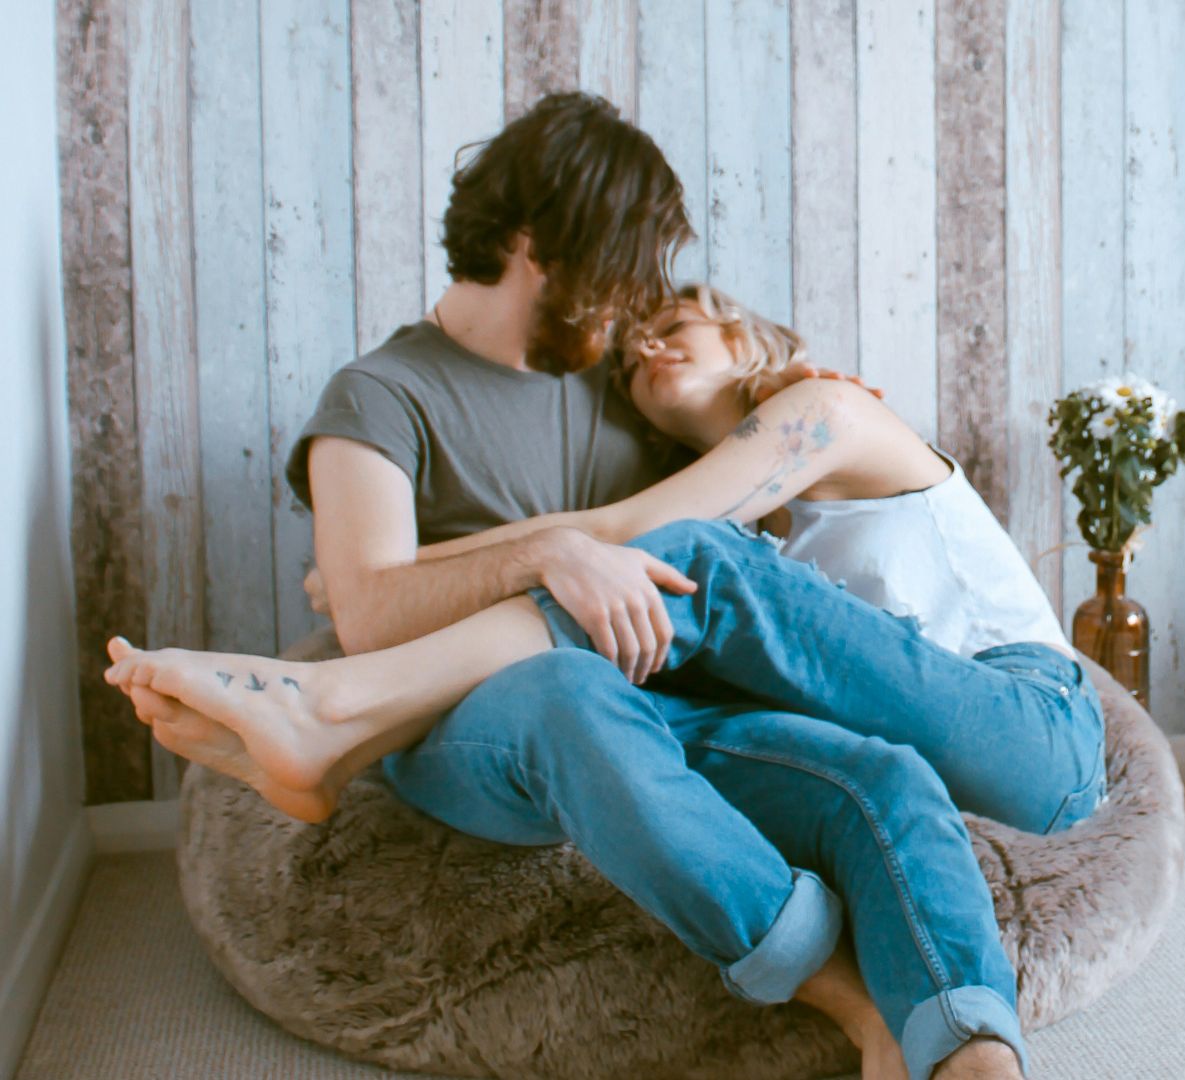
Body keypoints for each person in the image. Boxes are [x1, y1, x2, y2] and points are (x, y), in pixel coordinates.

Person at [105, 92, 1082, 1080]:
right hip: (495, 717)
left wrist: (788, 396)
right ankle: (843, 993)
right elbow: (364, 611)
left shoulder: (630, 390)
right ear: (537, 243)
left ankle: (970, 1055)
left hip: (672, 703)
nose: (640, 306)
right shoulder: (378, 398)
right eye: (627, 266)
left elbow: (725, 530)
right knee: (570, 693)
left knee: (880, 773)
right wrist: (538, 558)